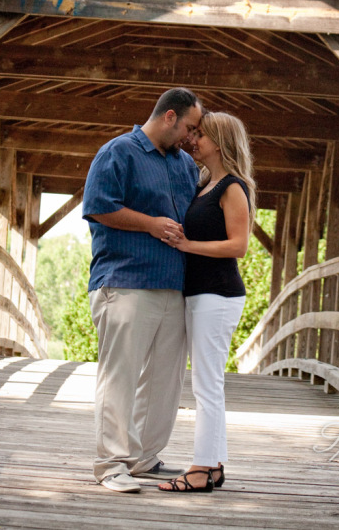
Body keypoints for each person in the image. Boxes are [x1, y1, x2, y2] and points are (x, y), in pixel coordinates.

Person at [82, 87, 204, 494]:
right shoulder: (118, 151)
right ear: (169, 117)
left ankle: (143, 457)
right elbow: (98, 205)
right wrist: (151, 223)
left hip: (175, 285)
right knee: (120, 378)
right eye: (189, 127)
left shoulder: (185, 165)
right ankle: (111, 463)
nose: (191, 136)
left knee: (164, 382)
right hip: (125, 281)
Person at [158, 111, 256, 493]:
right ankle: (213, 465)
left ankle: (198, 470)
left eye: (200, 135)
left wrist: (188, 244)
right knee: (207, 383)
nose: (192, 140)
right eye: (193, 133)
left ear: (221, 141)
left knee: (206, 385)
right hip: (201, 294)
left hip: (217, 295)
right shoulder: (204, 184)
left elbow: (240, 245)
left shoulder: (232, 186)